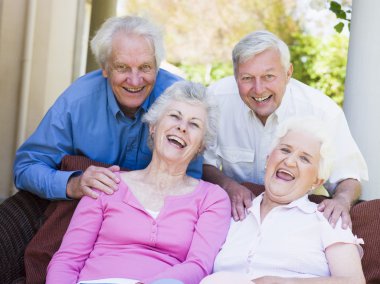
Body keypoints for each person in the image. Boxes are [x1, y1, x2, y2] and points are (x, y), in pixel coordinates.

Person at [46, 81, 231, 284]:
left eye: (194, 124)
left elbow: (199, 265)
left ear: (201, 146)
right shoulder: (108, 183)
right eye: (174, 116)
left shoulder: (212, 198)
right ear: (153, 127)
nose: (182, 127)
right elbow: (67, 259)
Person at [13, 15, 202, 201]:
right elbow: (26, 167)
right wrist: (73, 184)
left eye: (145, 67)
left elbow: (192, 179)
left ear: (157, 66)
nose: (135, 80)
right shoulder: (77, 101)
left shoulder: (180, 101)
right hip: (85, 204)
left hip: (157, 208)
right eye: (122, 67)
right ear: (105, 67)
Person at [202, 30, 368, 228]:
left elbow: (349, 176)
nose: (258, 89)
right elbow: (202, 162)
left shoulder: (322, 111)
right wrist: (227, 185)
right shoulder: (214, 100)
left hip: (298, 220)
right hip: (238, 216)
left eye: (268, 76)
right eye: (247, 78)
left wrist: (341, 201)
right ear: (235, 75)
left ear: (288, 73)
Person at [201, 117, 365, 284]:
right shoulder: (232, 212)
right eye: (285, 150)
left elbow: (353, 281)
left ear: (316, 181)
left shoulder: (328, 218)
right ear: (267, 159)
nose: (290, 161)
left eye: (304, 158)